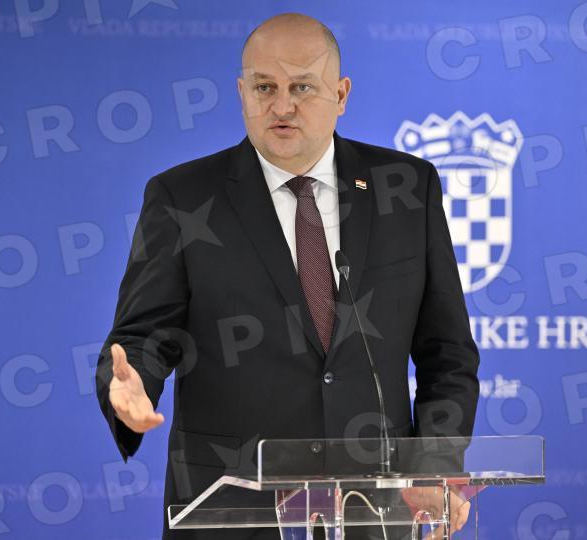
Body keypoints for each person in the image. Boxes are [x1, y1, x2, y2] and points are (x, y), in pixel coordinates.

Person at [95, 12, 480, 540]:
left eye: (302, 86)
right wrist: (130, 386)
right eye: (264, 87)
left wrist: (433, 466)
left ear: (340, 95)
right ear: (242, 93)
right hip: (231, 515)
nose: (281, 106)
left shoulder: (407, 187)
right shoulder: (182, 197)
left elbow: (448, 354)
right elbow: (142, 338)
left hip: (375, 513)